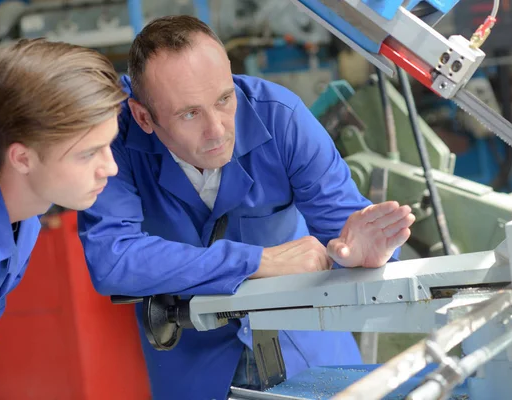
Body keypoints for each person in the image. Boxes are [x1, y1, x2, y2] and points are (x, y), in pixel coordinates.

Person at [77, 15, 415, 400]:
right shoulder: (115, 142)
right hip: (194, 369)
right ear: (144, 117)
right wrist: (257, 261)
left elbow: (348, 227)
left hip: (309, 353)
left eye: (224, 99)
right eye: (190, 113)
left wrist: (363, 253)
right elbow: (113, 258)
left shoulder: (281, 118)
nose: (217, 130)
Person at [0, 39, 126, 350]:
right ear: (22, 158)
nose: (111, 167)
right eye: (88, 154)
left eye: (109, 145)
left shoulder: (23, 220)